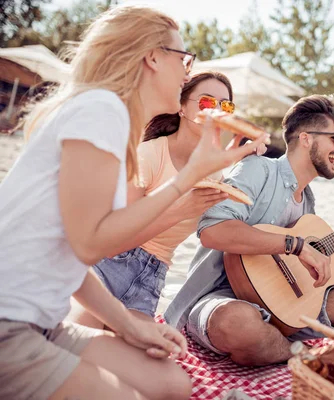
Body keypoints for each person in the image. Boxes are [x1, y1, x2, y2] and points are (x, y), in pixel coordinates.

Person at [0, 5, 265, 400]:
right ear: (153, 56)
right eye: (184, 59)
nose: (187, 72)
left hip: (46, 318)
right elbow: (92, 245)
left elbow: (73, 257)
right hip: (11, 319)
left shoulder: (110, 117)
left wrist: (127, 324)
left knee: (174, 384)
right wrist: (188, 178)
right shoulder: (103, 109)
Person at [165, 94, 334, 366]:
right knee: (238, 323)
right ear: (306, 138)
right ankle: (309, 358)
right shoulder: (257, 169)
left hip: (285, 308)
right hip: (223, 297)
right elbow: (213, 229)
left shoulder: (308, 200)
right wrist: (295, 245)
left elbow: (293, 274)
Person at [71, 71, 266, 328]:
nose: (217, 111)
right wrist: (180, 210)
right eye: (207, 102)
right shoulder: (149, 155)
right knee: (83, 338)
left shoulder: (216, 171)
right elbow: (113, 242)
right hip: (107, 265)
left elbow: (229, 225)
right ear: (182, 107)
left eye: (225, 105)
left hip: (151, 280)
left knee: (146, 360)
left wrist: (252, 164)